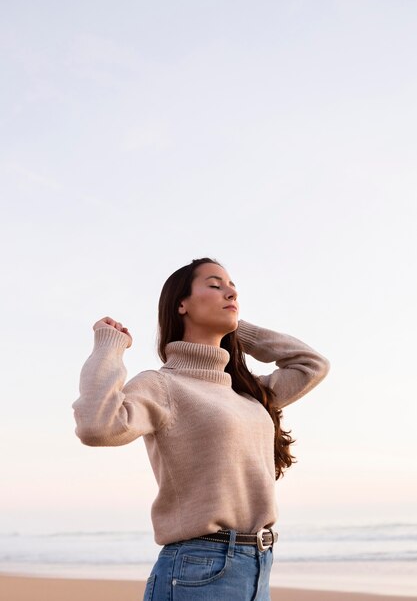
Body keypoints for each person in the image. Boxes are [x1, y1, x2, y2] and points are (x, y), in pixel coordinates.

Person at [73, 257, 330, 601]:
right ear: (182, 304)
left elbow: (311, 365)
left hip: (257, 566)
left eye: (233, 287)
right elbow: (96, 425)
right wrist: (109, 347)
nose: (230, 292)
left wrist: (239, 329)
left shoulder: (246, 392)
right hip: (200, 569)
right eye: (214, 284)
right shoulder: (164, 385)